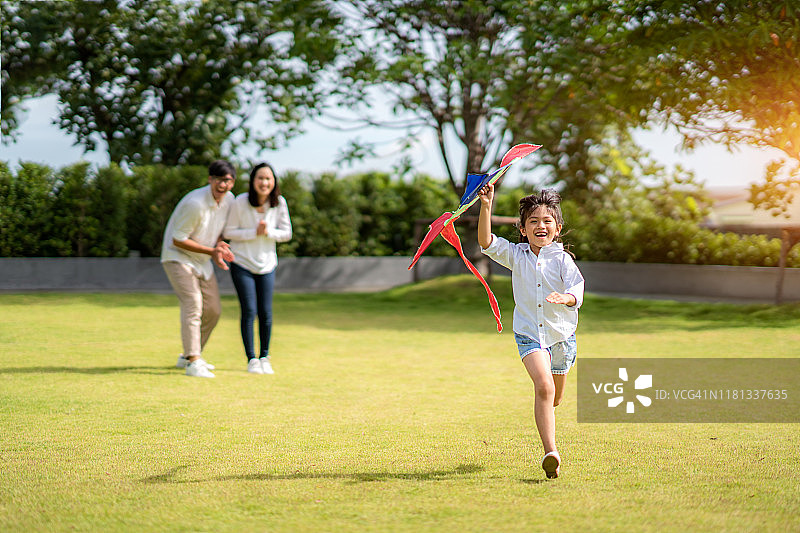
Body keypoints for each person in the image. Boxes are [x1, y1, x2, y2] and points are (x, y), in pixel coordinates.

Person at [477, 184, 584, 479]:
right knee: (544, 388)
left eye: (547, 221)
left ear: (557, 228)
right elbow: (486, 242)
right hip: (529, 334)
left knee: (555, 397)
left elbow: (577, 289)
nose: (540, 226)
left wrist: (566, 298)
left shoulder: (563, 260)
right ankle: (551, 452)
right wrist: (487, 205)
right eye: (533, 221)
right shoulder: (516, 255)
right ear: (523, 229)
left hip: (562, 337)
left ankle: (550, 416)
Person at [161, 160, 237, 378]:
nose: (223, 185)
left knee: (213, 310)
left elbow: (220, 231)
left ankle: (188, 355)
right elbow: (178, 239)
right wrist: (212, 251)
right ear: (210, 179)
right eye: (219, 180)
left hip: (202, 259)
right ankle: (194, 360)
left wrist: (220, 244)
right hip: (177, 257)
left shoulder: (229, 200)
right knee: (193, 303)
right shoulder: (195, 203)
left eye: (228, 181)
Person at [223, 162, 292, 375]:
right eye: (260, 178)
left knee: (266, 312)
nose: (264, 182)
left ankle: (265, 356)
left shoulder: (279, 203)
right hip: (242, 262)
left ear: (274, 182)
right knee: (249, 311)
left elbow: (287, 233)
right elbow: (229, 231)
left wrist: (268, 232)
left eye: (268, 179)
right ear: (253, 181)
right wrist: (254, 232)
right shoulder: (240, 202)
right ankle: (251, 358)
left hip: (267, 264)